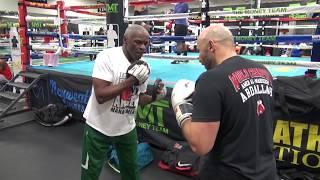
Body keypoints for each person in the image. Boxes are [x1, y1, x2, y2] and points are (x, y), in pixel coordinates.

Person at [171, 24, 278, 180]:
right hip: (266, 171)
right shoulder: (262, 71)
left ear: (211, 46)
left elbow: (200, 145)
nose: (199, 58)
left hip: (229, 173)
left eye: (200, 50)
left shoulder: (211, 80)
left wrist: (181, 108)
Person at [81, 24, 166, 180]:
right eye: (138, 42)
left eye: (145, 44)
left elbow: (137, 98)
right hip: (99, 127)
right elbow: (100, 95)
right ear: (125, 40)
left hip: (126, 129)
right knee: (90, 174)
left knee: (131, 173)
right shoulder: (107, 57)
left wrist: (155, 97)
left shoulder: (143, 66)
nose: (142, 47)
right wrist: (131, 80)